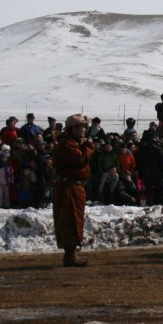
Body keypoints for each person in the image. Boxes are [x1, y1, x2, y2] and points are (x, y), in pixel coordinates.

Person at [52, 114, 96, 267]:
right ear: (73, 129)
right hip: (68, 187)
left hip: (75, 187)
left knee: (74, 219)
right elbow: (80, 159)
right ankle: (69, 256)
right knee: (70, 220)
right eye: (82, 127)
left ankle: (71, 254)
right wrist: (88, 146)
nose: (84, 130)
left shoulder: (72, 142)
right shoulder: (67, 144)